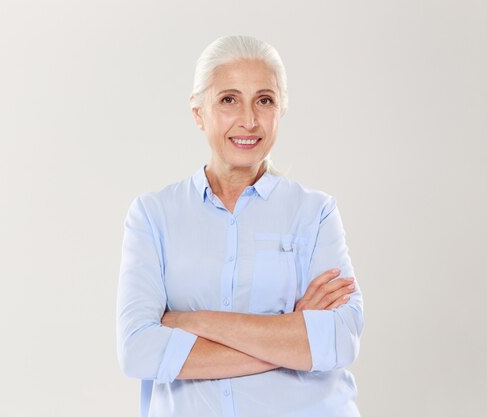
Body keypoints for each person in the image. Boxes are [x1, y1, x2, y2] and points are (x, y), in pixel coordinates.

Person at [116, 35, 364, 417]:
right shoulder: (154, 216)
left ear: (280, 109)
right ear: (198, 112)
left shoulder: (315, 213)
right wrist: (289, 338)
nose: (249, 120)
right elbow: (138, 351)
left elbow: (339, 341)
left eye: (264, 101)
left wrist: (189, 321)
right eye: (228, 99)